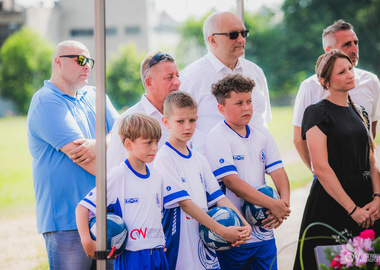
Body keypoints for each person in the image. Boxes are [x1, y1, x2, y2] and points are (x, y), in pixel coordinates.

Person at [27, 40, 119, 269]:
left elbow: (124, 135)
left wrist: (100, 143)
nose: (87, 66)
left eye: (90, 61)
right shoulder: (46, 101)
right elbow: (88, 161)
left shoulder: (95, 95)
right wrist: (124, 172)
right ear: (58, 62)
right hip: (66, 220)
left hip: (106, 213)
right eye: (80, 59)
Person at [293, 49, 380, 270]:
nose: (351, 74)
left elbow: (371, 158)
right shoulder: (316, 113)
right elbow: (321, 168)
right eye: (342, 72)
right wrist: (352, 210)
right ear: (325, 82)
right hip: (334, 202)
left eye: (350, 68)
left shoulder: (360, 111)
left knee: (369, 262)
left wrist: (378, 197)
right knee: (334, 263)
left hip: (367, 201)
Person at [154, 91, 252, 270]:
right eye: (180, 121)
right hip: (180, 248)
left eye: (192, 120)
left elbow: (219, 198)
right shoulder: (164, 158)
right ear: (166, 122)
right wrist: (222, 231)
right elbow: (185, 204)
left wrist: (244, 224)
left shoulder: (199, 159)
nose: (187, 127)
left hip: (205, 243)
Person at [204, 74, 291, 270]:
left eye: (249, 101)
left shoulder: (262, 132)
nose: (246, 107)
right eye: (239, 103)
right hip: (236, 233)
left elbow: (278, 172)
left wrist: (283, 206)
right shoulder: (217, 136)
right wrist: (272, 204)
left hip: (264, 231)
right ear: (221, 108)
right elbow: (231, 181)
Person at [76, 113, 168, 270]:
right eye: (148, 143)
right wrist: (87, 242)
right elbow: (82, 208)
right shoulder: (117, 176)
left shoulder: (157, 177)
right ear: (129, 144)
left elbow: (156, 213)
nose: (155, 148)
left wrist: (160, 239)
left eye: (156, 142)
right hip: (132, 257)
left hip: (158, 254)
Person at [293, 19, 380, 171]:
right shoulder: (309, 86)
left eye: (355, 42)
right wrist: (316, 172)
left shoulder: (371, 81)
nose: (354, 49)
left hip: (364, 174)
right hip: (329, 176)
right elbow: (299, 139)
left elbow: (370, 131)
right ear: (329, 51)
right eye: (347, 44)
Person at [179, 11, 271, 153]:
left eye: (244, 33)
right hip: (212, 169)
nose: (241, 40)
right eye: (233, 35)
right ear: (212, 40)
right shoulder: (191, 78)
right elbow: (179, 129)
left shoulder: (256, 72)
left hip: (256, 166)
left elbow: (263, 120)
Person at [107, 52, 180, 170]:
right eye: (169, 77)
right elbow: (112, 171)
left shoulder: (183, 115)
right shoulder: (126, 122)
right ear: (149, 83)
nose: (177, 82)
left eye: (177, 75)